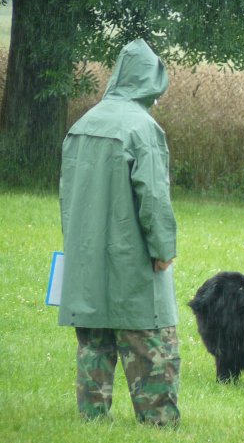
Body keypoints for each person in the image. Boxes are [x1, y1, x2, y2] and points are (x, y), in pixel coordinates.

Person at [59, 39, 180, 426]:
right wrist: (163, 249)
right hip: (132, 257)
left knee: (94, 341)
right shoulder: (144, 128)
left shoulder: (83, 124)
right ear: (152, 82)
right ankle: (158, 419)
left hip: (86, 254)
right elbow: (154, 199)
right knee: (152, 340)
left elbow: (67, 195)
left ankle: (92, 416)